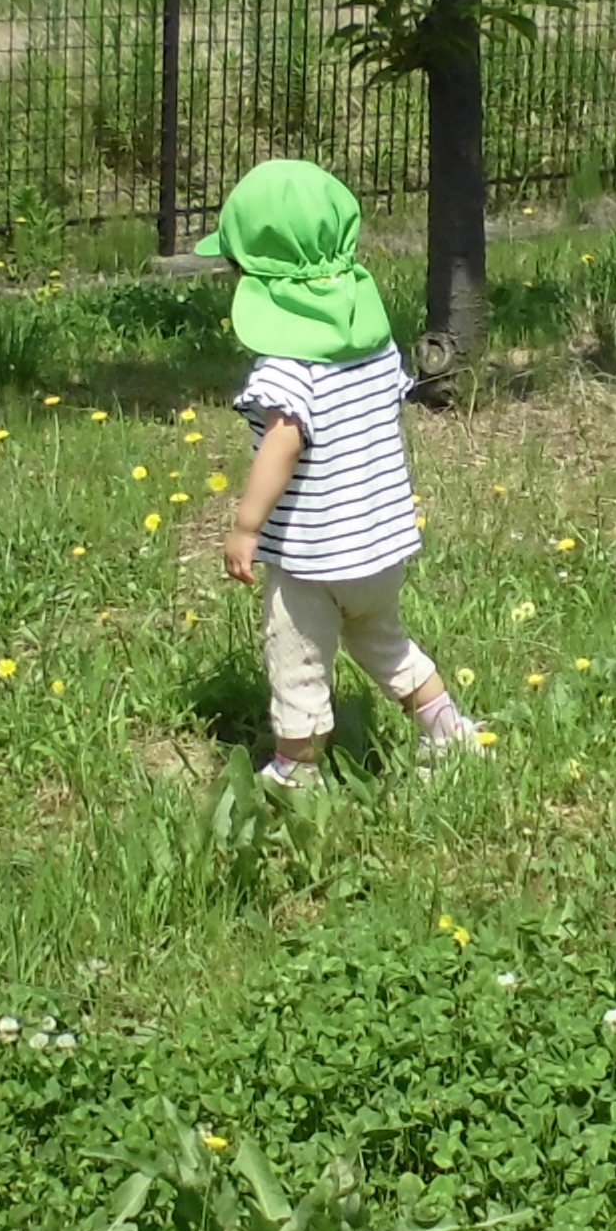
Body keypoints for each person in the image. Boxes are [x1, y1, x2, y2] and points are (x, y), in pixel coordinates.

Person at [209, 159, 474, 788]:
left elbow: (284, 441)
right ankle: (448, 731)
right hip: (380, 544)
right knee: (382, 639)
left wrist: (247, 525)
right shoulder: (371, 345)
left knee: (297, 657)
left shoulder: (287, 368)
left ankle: (296, 771)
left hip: (313, 555)